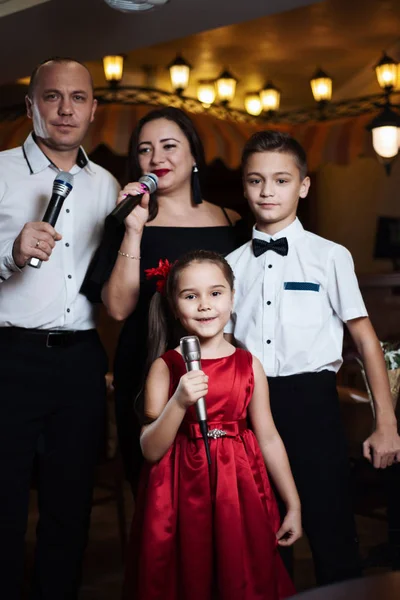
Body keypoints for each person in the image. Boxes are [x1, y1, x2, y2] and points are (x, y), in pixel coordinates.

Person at [224, 130, 400, 586]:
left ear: (303, 185)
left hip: (313, 405)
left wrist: (386, 424)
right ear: (244, 186)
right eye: (256, 180)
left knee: (332, 532)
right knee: (262, 535)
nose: (267, 191)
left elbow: (365, 342)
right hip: (247, 409)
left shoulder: (329, 257)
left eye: (281, 180)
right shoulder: (229, 265)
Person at [0, 57, 120, 599]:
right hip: (9, 358)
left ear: (94, 108)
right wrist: (9, 254)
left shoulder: (107, 185)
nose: (66, 109)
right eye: (52, 97)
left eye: (78, 98)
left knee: (69, 508)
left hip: (80, 362)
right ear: (31, 106)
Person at [82, 107, 247, 492]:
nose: (157, 158)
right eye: (144, 150)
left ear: (193, 155)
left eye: (169, 146)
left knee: (220, 486)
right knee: (155, 494)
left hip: (219, 374)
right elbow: (119, 308)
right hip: (144, 365)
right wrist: (134, 230)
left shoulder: (232, 222)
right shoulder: (125, 221)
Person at [122, 250, 302, 600]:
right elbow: (150, 449)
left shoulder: (249, 364)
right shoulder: (167, 365)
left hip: (238, 487)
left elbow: (268, 437)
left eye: (215, 293)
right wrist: (179, 402)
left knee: (241, 572)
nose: (205, 305)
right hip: (180, 490)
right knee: (189, 574)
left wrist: (292, 503)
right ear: (175, 306)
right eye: (191, 296)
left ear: (233, 298)